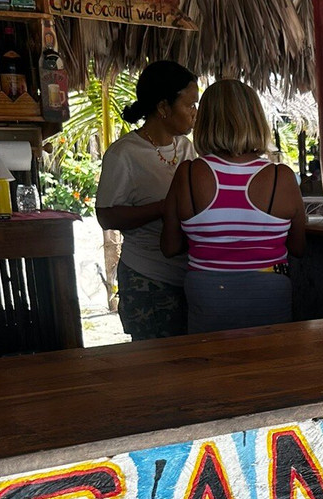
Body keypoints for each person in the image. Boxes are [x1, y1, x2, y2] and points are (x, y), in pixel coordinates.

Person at [161, 79, 306, 334]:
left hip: (208, 294)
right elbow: (298, 247)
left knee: (212, 368)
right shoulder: (280, 177)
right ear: (255, 119)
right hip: (268, 290)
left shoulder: (188, 173)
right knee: (272, 365)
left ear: (205, 121)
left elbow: (170, 247)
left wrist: (209, 237)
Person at [96, 61, 198, 339]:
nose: (195, 113)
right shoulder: (124, 154)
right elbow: (106, 216)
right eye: (189, 105)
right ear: (164, 108)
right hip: (147, 278)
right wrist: (164, 209)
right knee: (158, 366)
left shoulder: (187, 148)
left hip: (189, 276)